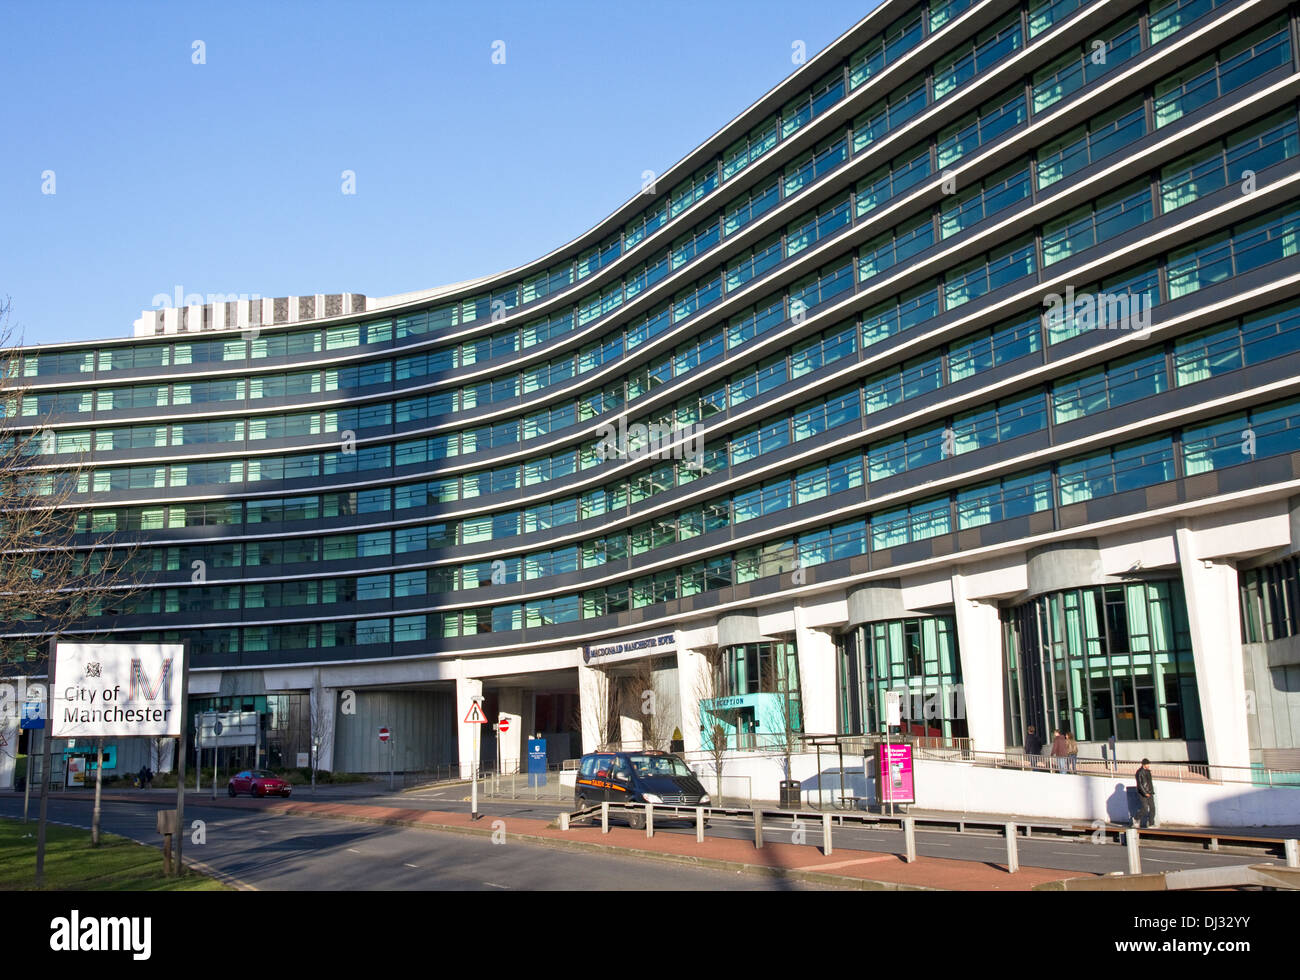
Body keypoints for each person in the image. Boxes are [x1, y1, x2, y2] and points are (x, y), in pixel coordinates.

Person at [1135, 758, 1157, 828]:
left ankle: (1151, 823)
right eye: (1147, 764)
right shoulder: (1139, 772)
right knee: (1145, 808)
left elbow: (1149, 783)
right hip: (1143, 793)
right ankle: (1136, 818)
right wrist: (1145, 793)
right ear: (1144, 764)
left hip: (1150, 792)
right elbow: (1140, 784)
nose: (1148, 765)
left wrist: (1151, 791)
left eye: (1148, 764)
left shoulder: (1148, 771)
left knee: (1152, 808)